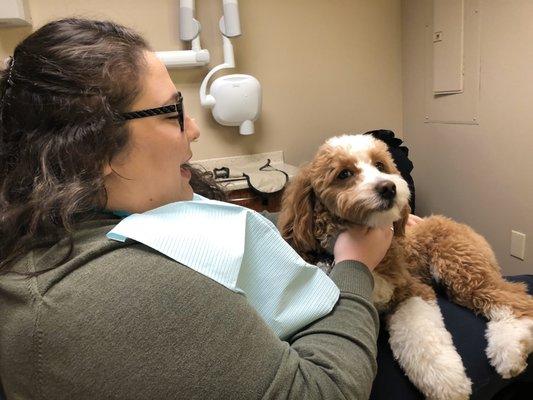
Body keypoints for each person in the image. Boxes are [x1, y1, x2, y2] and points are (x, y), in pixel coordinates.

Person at [0, 18, 394, 399]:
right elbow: (323, 391)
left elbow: (219, 229)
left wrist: (311, 227)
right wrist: (355, 266)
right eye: (172, 112)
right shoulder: (124, 294)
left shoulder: (96, 211)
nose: (193, 128)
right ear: (92, 146)